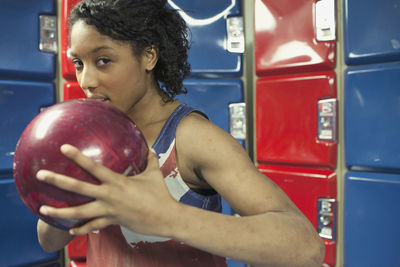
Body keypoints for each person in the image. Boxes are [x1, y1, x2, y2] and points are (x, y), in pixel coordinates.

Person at [36, 0, 325, 266]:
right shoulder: (92, 139)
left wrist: (168, 217)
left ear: (148, 56)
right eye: (79, 63)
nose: (87, 80)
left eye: (103, 61)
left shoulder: (192, 138)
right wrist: (66, 186)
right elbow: (49, 241)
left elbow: (306, 248)